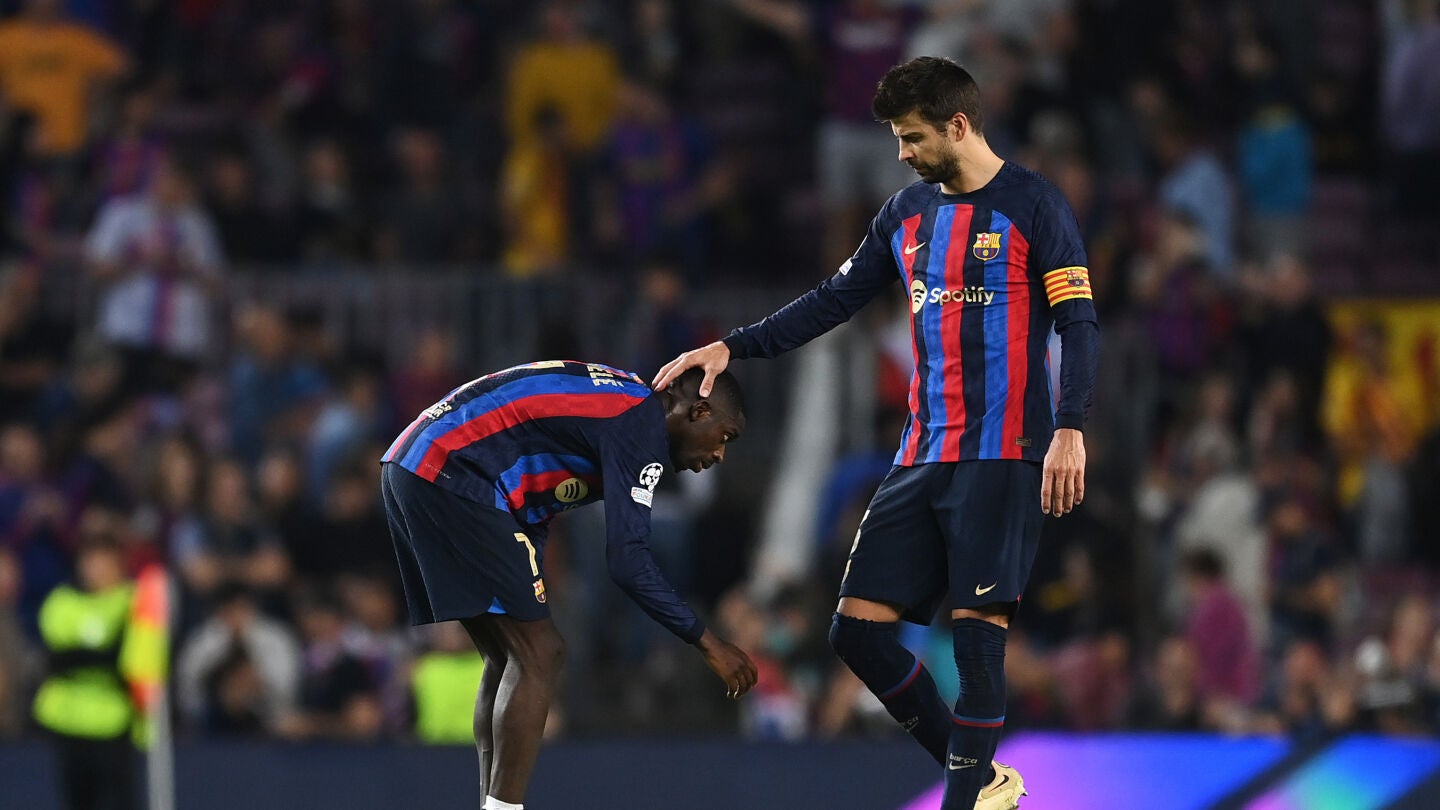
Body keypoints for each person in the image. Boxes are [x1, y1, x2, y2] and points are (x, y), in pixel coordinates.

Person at [654, 56, 1099, 810]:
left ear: (958, 126)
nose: (901, 153)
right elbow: (832, 300)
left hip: (1002, 453)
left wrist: (1071, 428)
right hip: (921, 454)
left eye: (912, 137)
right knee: (853, 634)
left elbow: (1079, 324)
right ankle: (984, 780)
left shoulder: (1035, 205)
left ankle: (962, 800)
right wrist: (734, 345)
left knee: (977, 646)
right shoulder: (904, 215)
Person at [380, 360, 757, 810]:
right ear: (699, 411)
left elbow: (536, 475)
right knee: (541, 652)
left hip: (418, 463)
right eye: (725, 436)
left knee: (507, 655)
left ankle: (492, 805)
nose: (720, 455)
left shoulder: (625, 404)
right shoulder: (641, 425)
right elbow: (629, 562)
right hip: (452, 470)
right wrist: (709, 642)